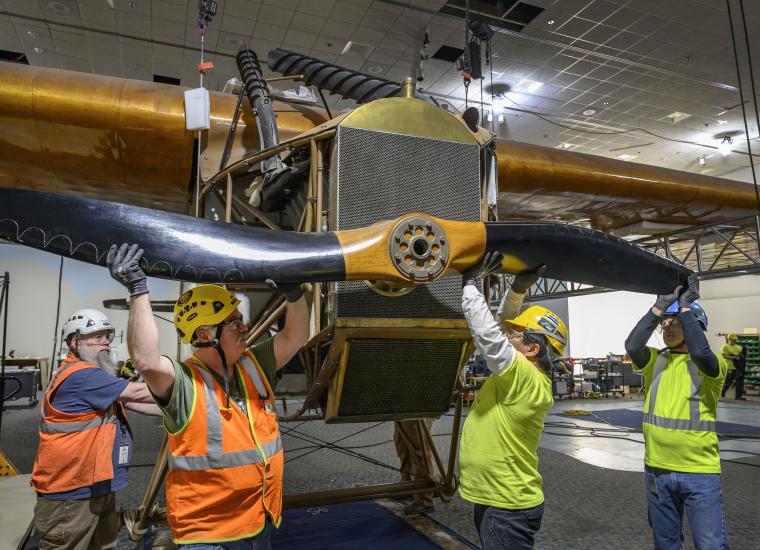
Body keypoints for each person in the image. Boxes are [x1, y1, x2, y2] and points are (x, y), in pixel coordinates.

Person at [107, 243, 309, 548]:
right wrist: (138, 290)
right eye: (234, 322)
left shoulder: (254, 364)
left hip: (258, 521)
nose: (245, 327)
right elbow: (147, 361)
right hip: (208, 535)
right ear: (204, 335)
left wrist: (294, 295)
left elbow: (295, 337)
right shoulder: (185, 382)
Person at [458, 255, 566, 549]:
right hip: (501, 499)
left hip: (506, 506)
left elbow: (488, 335)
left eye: (516, 336)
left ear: (531, 349)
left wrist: (470, 283)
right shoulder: (529, 374)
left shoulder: (521, 375)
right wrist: (517, 290)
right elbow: (505, 327)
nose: (508, 336)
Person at [31, 308, 161, 549]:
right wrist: (188, 390)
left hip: (94, 484)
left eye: (106, 336)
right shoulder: (81, 375)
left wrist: (179, 413)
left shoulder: (90, 375)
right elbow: (137, 392)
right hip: (70, 495)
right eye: (96, 337)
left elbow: (129, 401)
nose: (105, 342)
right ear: (74, 342)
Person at [624, 273, 729, 550]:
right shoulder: (656, 361)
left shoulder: (713, 365)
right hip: (657, 470)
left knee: (710, 545)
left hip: (699, 472)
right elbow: (632, 346)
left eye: (676, 322)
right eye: (665, 323)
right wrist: (658, 309)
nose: (667, 326)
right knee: (665, 543)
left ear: (694, 325)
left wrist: (685, 308)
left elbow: (701, 353)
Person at [392, 418, 436, 514]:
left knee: (419, 450)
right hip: (402, 408)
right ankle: (408, 486)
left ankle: (425, 499)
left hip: (418, 408)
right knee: (402, 446)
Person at [721, 333, 746, 400]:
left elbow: (742, 356)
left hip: (738, 368)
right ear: (729, 339)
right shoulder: (725, 347)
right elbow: (724, 356)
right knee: (729, 381)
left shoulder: (738, 347)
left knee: (739, 382)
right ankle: (722, 391)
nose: (735, 340)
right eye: (733, 339)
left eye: (735, 339)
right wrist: (733, 357)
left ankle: (738, 396)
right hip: (729, 367)